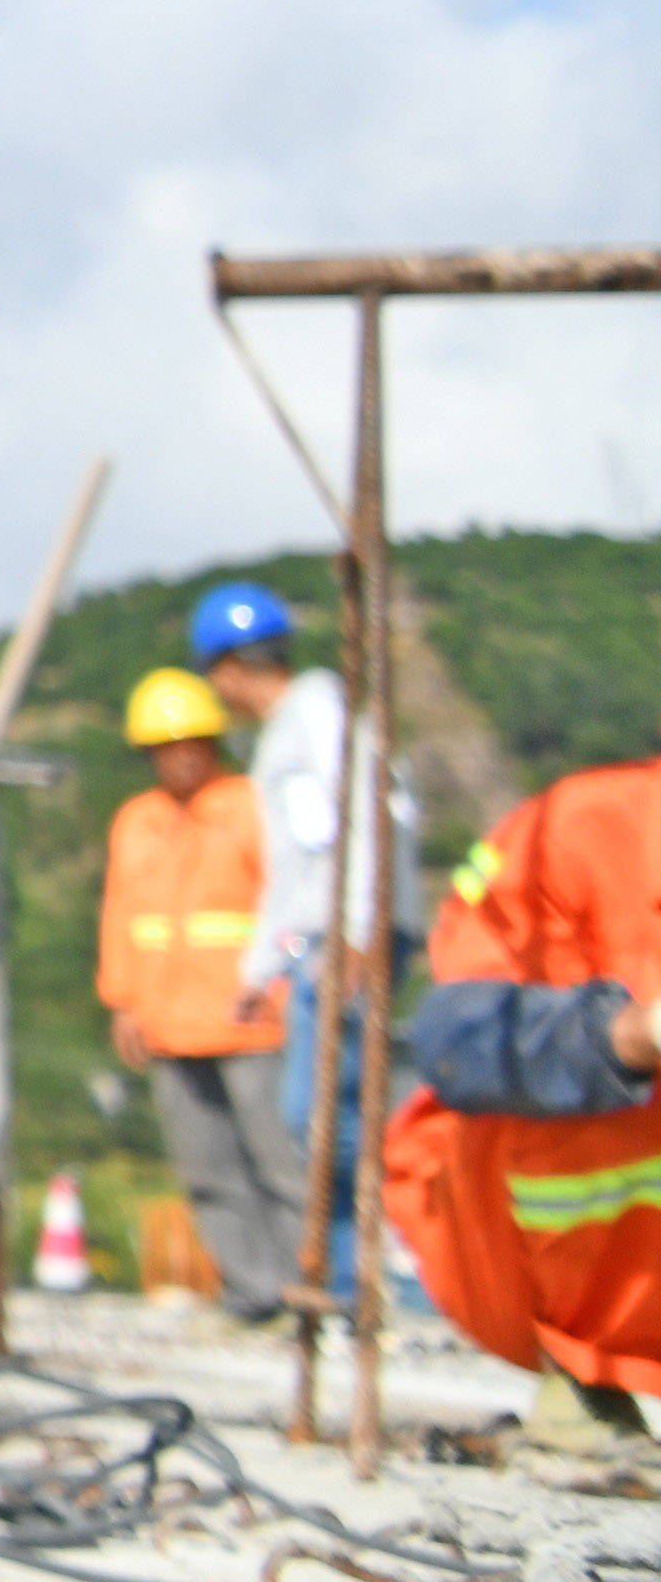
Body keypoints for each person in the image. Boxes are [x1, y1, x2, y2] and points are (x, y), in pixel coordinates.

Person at [386, 751, 661, 1459]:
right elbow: (457, 1038)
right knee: (559, 1079)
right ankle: (584, 1373)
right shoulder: (580, 830)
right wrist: (627, 1038)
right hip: (544, 1262)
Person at [201, 578, 420, 1313]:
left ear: (228, 669)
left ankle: (366, 1274)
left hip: (349, 933)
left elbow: (360, 811)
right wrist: (260, 967)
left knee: (323, 1111)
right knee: (323, 1112)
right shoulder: (286, 732)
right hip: (320, 936)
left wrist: (358, 928)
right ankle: (344, 1274)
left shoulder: (319, 710)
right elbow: (295, 868)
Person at [98, 666, 304, 1317]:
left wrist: (293, 995)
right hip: (169, 1027)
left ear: (213, 743)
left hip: (251, 1024)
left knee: (283, 1166)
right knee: (208, 1172)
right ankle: (253, 1298)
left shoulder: (251, 806)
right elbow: (122, 915)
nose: (181, 756)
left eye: (192, 741)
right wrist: (123, 1001)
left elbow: (290, 904)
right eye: (166, 745)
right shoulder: (136, 821)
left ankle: (311, 1298)